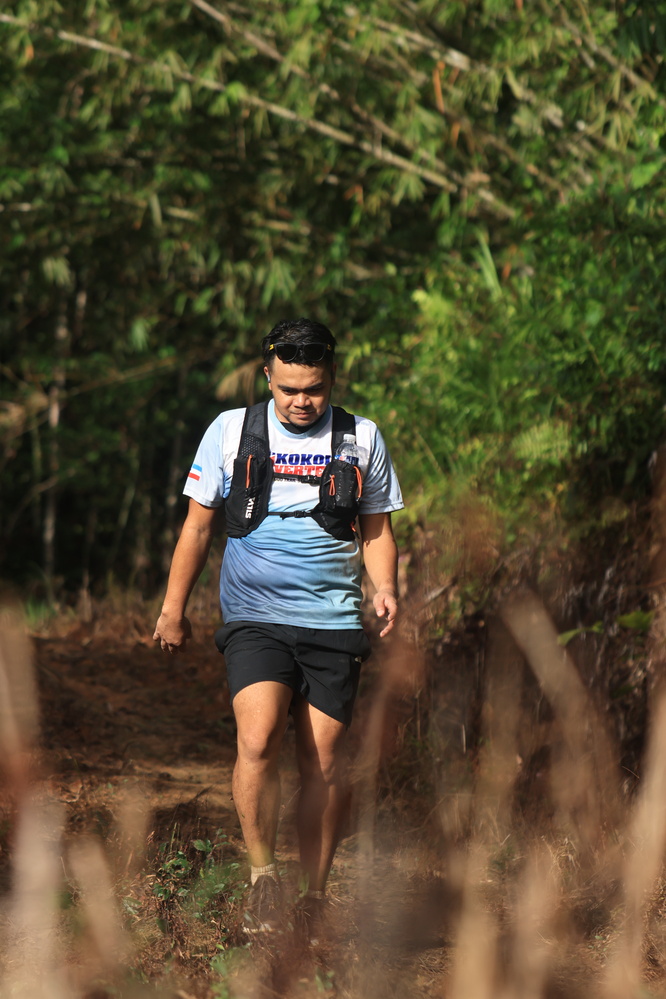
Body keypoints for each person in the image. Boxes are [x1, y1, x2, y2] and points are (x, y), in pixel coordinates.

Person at [153, 318, 403, 936]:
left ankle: (314, 894)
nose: (301, 401)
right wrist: (173, 608)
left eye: (314, 389)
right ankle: (263, 878)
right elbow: (198, 526)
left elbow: (376, 529)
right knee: (258, 738)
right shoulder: (230, 431)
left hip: (333, 619)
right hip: (254, 617)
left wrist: (386, 588)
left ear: (332, 378)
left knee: (324, 763)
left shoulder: (361, 437)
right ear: (267, 377)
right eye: (289, 388)